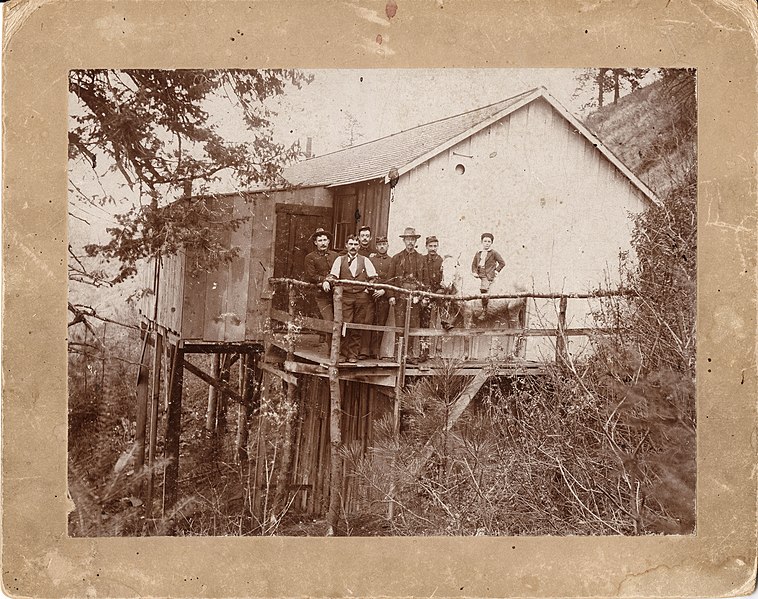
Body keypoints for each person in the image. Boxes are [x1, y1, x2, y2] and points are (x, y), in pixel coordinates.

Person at [326, 235, 382, 362]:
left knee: (357, 325)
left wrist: (368, 289)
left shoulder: (365, 260)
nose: (353, 247)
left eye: (356, 244)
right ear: (346, 245)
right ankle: (343, 354)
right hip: (345, 297)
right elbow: (333, 276)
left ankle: (352, 354)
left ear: (359, 246)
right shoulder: (340, 260)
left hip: (361, 297)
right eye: (350, 244)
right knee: (344, 325)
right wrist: (327, 282)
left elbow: (373, 277)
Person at [388, 227, 425, 361]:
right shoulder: (396, 258)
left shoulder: (421, 259)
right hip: (400, 297)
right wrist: (391, 295)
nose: (410, 242)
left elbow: (425, 280)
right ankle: (397, 354)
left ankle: (408, 354)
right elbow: (390, 278)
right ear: (404, 240)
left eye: (412, 239)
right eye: (408, 239)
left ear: (415, 241)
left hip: (414, 298)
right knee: (399, 326)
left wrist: (421, 296)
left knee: (413, 326)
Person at [303, 227, 339, 322]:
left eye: (325, 240)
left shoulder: (335, 255)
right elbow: (311, 275)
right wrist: (324, 280)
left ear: (328, 241)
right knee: (328, 320)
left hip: (336, 293)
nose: (323, 243)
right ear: (315, 243)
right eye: (320, 241)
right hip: (320, 295)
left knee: (338, 321)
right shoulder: (310, 257)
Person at [471, 232, 506, 319]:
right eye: (485, 241)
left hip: (487, 275)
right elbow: (474, 265)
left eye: (489, 241)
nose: (487, 243)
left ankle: (484, 310)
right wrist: (474, 272)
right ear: (481, 242)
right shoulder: (478, 253)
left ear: (491, 243)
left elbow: (502, 263)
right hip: (479, 274)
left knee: (483, 289)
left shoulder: (493, 253)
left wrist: (496, 271)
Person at [420, 235, 444, 360]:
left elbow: (445, 280)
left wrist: (440, 290)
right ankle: (424, 351)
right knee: (424, 323)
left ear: (438, 246)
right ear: (426, 247)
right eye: (430, 246)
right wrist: (426, 293)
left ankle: (438, 352)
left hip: (438, 295)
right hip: (426, 295)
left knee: (441, 322)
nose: (433, 248)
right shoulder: (422, 260)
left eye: (435, 246)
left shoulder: (442, 261)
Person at [369, 235, 393, 359]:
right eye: (379, 244)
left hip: (384, 296)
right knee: (368, 321)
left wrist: (384, 290)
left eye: (384, 244)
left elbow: (393, 279)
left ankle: (375, 351)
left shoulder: (392, 261)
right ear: (376, 246)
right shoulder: (371, 260)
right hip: (371, 296)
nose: (382, 246)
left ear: (388, 246)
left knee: (380, 323)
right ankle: (364, 351)